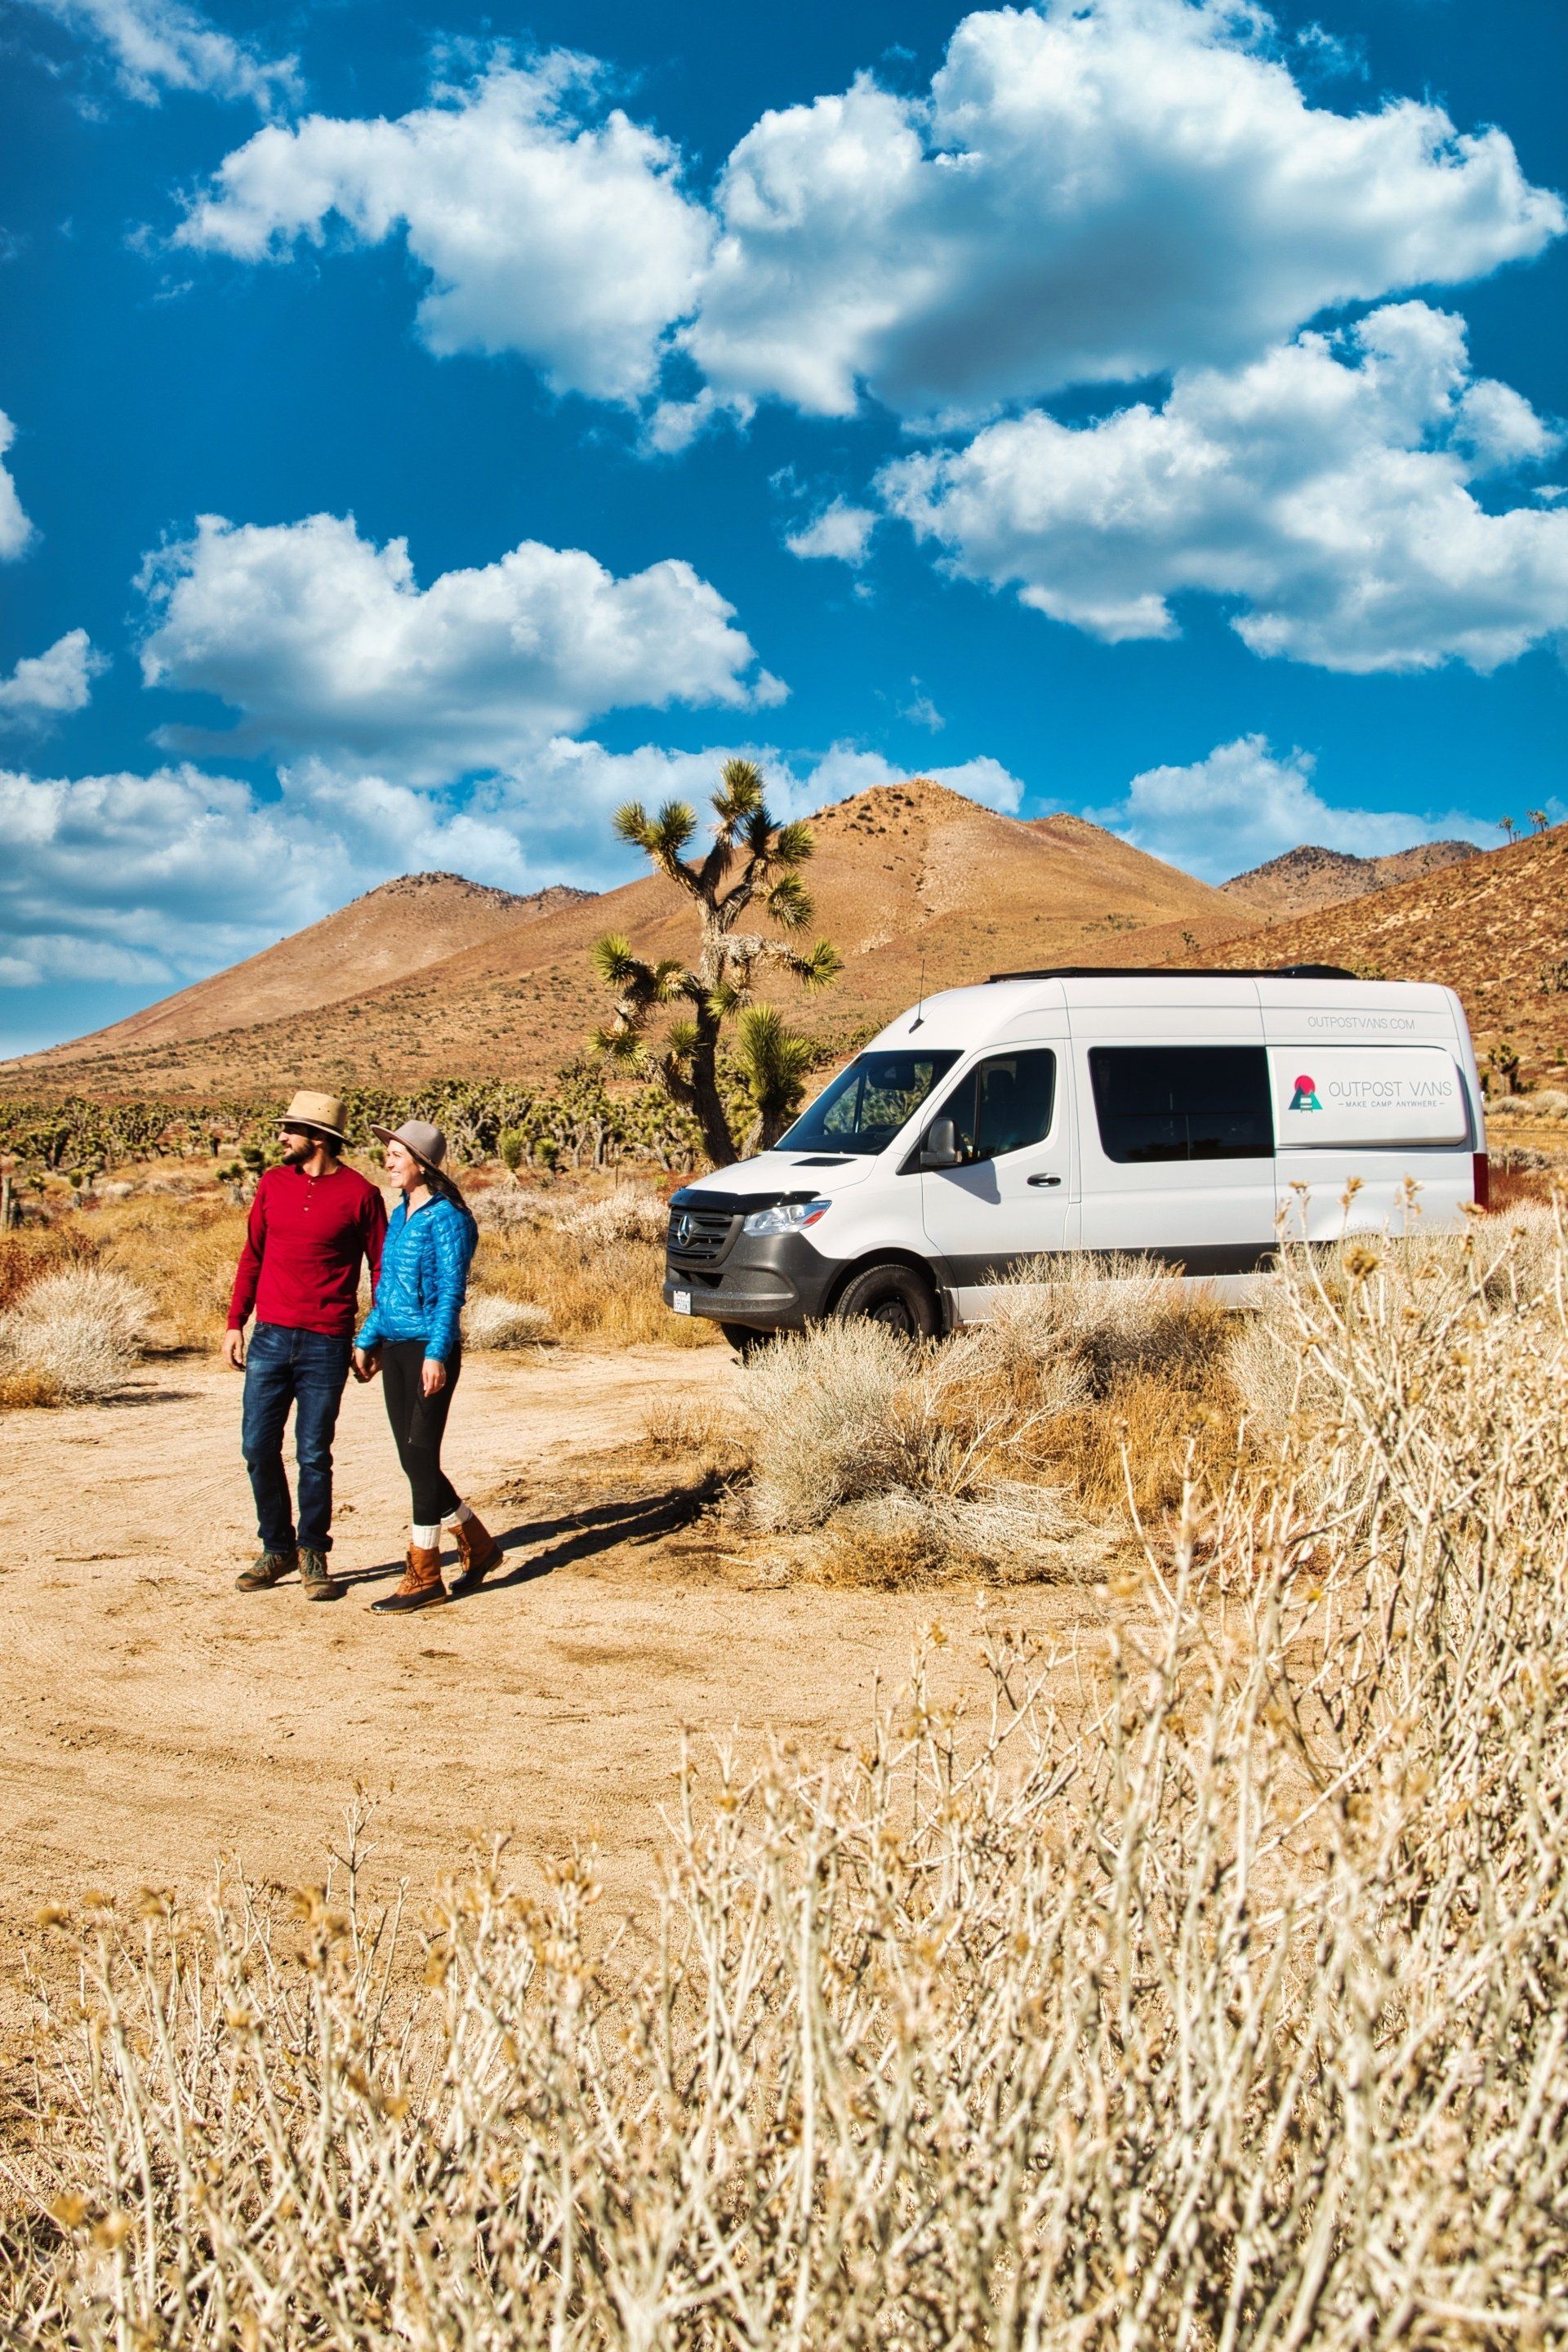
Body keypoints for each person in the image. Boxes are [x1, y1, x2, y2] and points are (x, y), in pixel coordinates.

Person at [225, 1089, 387, 1602]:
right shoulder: (273, 1184)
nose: (281, 1138)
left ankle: (314, 1552)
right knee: (257, 1447)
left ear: (318, 1137)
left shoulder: (361, 1194)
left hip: (327, 1340)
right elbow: (252, 1255)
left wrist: (372, 1335)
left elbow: (380, 1269)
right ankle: (277, 1549)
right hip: (270, 1336)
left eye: (289, 1130)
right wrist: (236, 1322)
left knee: (314, 1453)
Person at [352, 1119, 502, 1614]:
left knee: (419, 1457)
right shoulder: (400, 1215)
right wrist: (367, 1338)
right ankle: (478, 1545)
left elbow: (450, 1295)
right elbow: (389, 1290)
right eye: (389, 1153)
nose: (388, 1162)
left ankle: (423, 1573)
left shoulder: (450, 1218)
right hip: (394, 1347)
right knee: (413, 1460)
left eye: (396, 1154)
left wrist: (438, 1352)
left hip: (427, 1351)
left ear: (421, 1163)